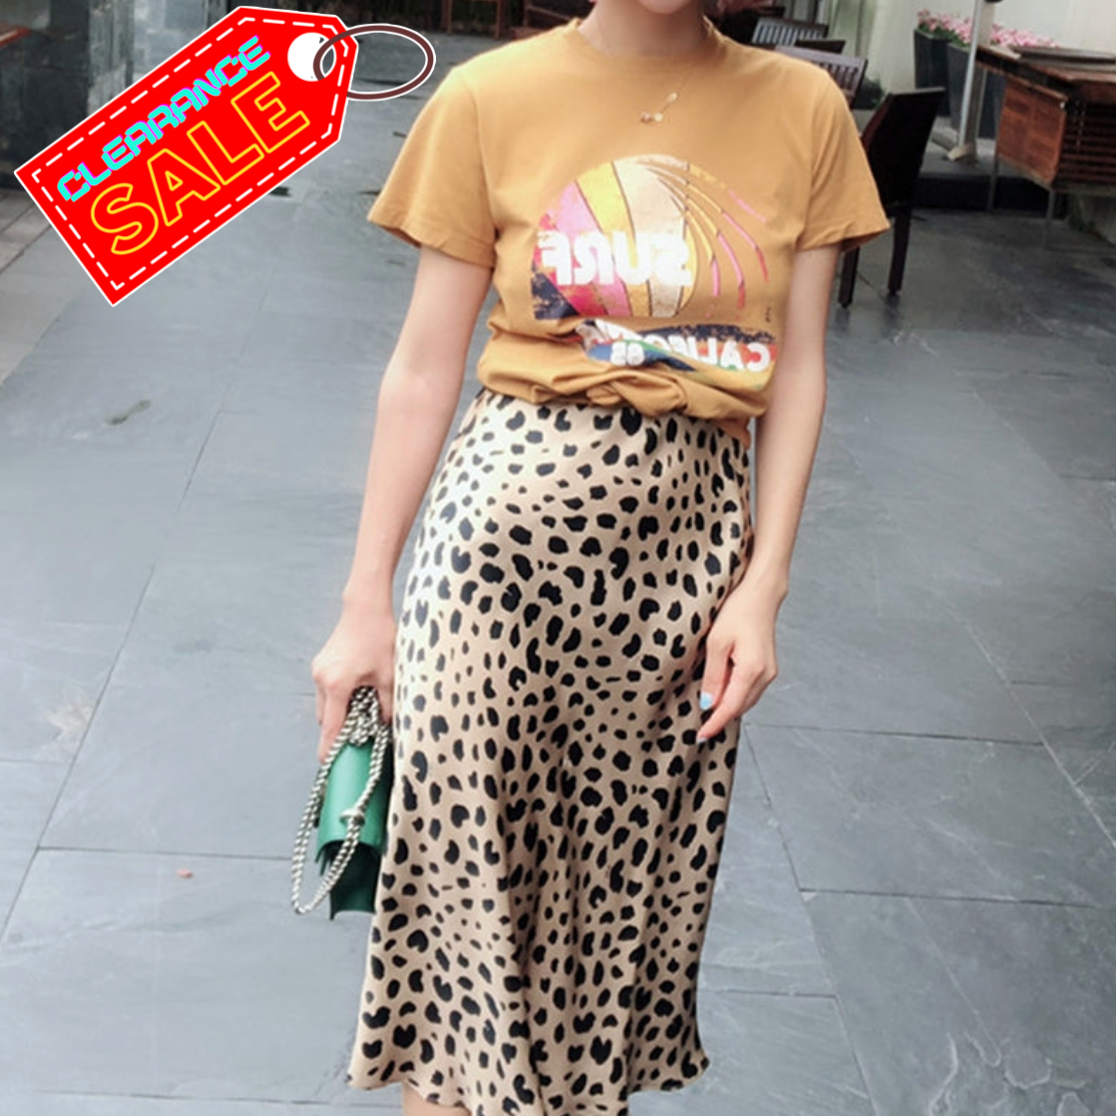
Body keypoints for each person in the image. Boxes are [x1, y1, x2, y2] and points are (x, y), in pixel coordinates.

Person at [310, 0, 889, 1113]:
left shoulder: (803, 108)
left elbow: (802, 369)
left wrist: (764, 585)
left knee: (615, 914)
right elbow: (424, 365)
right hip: (497, 555)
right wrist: (365, 601)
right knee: (464, 915)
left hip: (686, 569)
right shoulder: (490, 97)